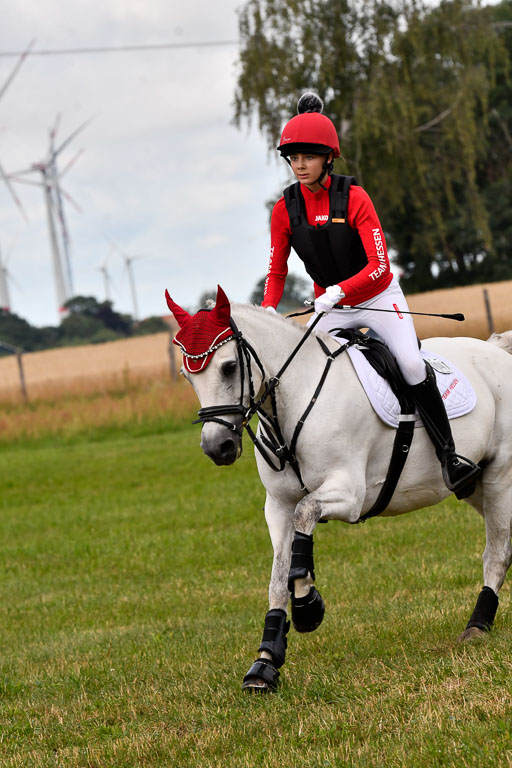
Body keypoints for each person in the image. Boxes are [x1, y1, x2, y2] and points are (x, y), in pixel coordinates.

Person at [261, 92, 480, 499]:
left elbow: (379, 266)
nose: (299, 164)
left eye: (308, 156)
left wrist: (339, 291)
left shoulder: (355, 198)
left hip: (378, 298)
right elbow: (276, 272)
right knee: (292, 369)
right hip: (331, 307)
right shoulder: (284, 209)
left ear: (329, 157)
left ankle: (450, 455)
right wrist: (268, 312)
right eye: (292, 157)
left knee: (412, 365)